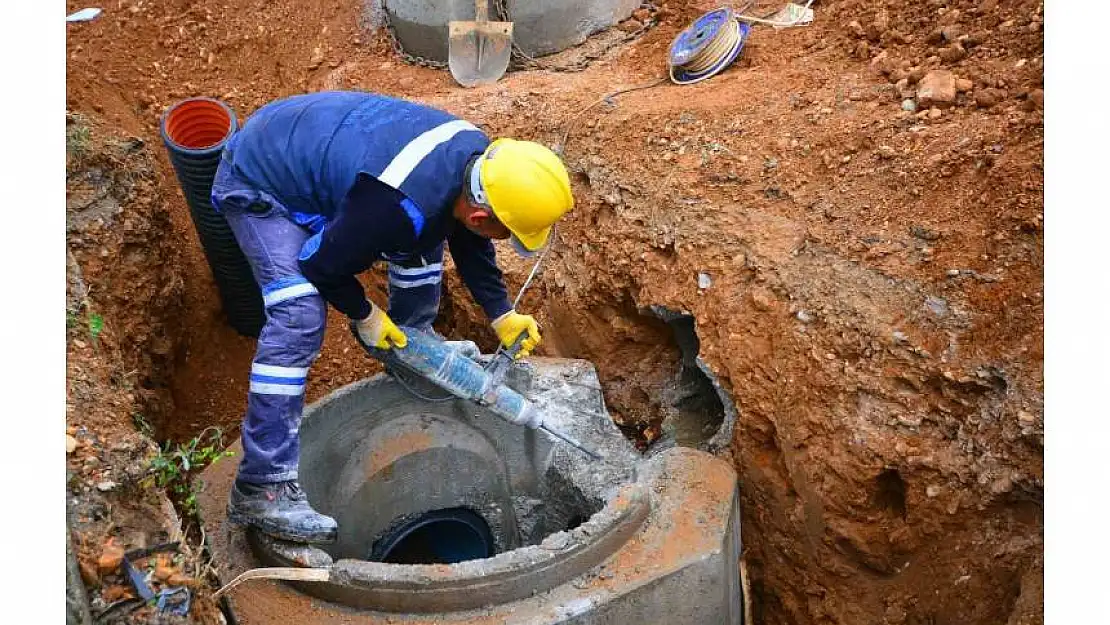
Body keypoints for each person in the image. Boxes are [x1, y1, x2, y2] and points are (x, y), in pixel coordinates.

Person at [208, 91, 574, 544]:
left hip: (316, 149)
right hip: (260, 182)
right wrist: (365, 314)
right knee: (299, 313)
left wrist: (501, 312)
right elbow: (321, 266)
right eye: (508, 232)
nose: (504, 239)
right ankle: (261, 485)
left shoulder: (475, 159)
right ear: (481, 213)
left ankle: (411, 346)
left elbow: (469, 236)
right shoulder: (394, 205)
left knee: (424, 242)